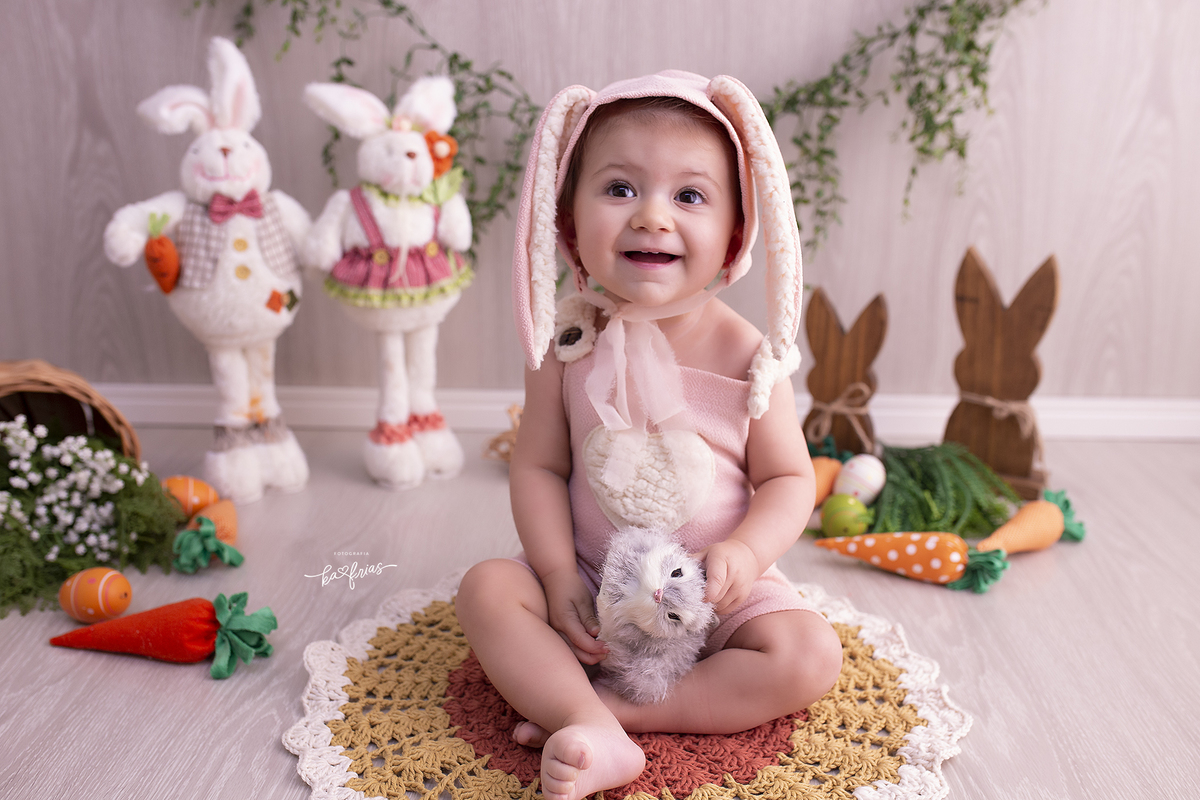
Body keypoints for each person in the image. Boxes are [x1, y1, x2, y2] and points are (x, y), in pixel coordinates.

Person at [456, 71, 843, 800]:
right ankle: (581, 709)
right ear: (568, 222)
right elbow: (537, 466)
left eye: (689, 195)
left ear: (735, 234)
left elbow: (792, 480)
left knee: (810, 655)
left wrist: (745, 554)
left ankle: (608, 713)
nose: (653, 218)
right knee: (486, 589)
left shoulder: (749, 356)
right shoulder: (566, 343)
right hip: (590, 584)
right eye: (620, 189)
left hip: (710, 594)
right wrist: (558, 573)